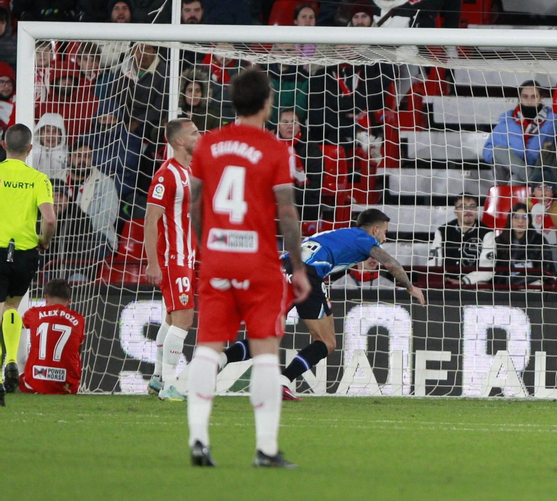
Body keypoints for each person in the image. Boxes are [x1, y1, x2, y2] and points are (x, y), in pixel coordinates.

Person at [184, 68, 311, 467]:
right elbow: (287, 215)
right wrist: (300, 267)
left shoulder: (207, 145)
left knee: (207, 348)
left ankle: (199, 440)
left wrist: (208, 246)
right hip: (258, 263)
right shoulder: (275, 149)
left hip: (217, 257)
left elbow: (195, 203)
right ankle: (266, 448)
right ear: (267, 103)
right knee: (266, 353)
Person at [279, 210, 425, 398]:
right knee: (327, 342)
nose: (385, 237)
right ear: (374, 230)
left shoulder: (341, 234)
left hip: (285, 267)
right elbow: (391, 264)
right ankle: (282, 381)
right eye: (384, 231)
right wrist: (410, 287)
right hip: (308, 273)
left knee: (267, 333)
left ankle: (227, 357)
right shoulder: (363, 239)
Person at [142, 117, 198, 401]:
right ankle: (169, 384)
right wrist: (152, 262)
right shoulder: (166, 175)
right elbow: (151, 221)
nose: (199, 136)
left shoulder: (191, 171)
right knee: (184, 319)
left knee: (172, 317)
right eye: (194, 133)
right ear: (179, 141)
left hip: (187, 257)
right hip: (172, 258)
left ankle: (157, 378)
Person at [0, 124, 57, 394]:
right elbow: (49, 219)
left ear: (3, 145)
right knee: (11, 306)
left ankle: (2, 371)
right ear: (30, 148)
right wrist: (43, 241)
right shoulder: (39, 179)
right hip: (25, 251)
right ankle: (11, 358)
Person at [15, 278, 83, 395]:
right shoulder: (79, 320)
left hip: (34, 383)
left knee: (12, 383)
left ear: (46, 298)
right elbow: (78, 349)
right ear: (69, 301)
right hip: (67, 386)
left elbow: (16, 325)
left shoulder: (33, 313)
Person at [484, 80, 554, 185]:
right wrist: (512, 160)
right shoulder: (506, 122)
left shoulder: (552, 122)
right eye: (525, 96)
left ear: (541, 98)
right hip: (507, 173)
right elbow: (488, 151)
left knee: (515, 181)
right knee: (498, 150)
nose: (529, 100)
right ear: (520, 98)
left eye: (533, 96)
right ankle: (532, 179)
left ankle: (531, 178)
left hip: (538, 171)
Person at [429, 193, 492, 286]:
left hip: (473, 284)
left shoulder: (487, 233)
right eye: (463, 207)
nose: (468, 210)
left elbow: (487, 269)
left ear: (477, 210)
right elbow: (433, 262)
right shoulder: (442, 231)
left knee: (483, 285)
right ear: (455, 211)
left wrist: (464, 281)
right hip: (447, 282)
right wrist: (439, 278)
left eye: (472, 207)